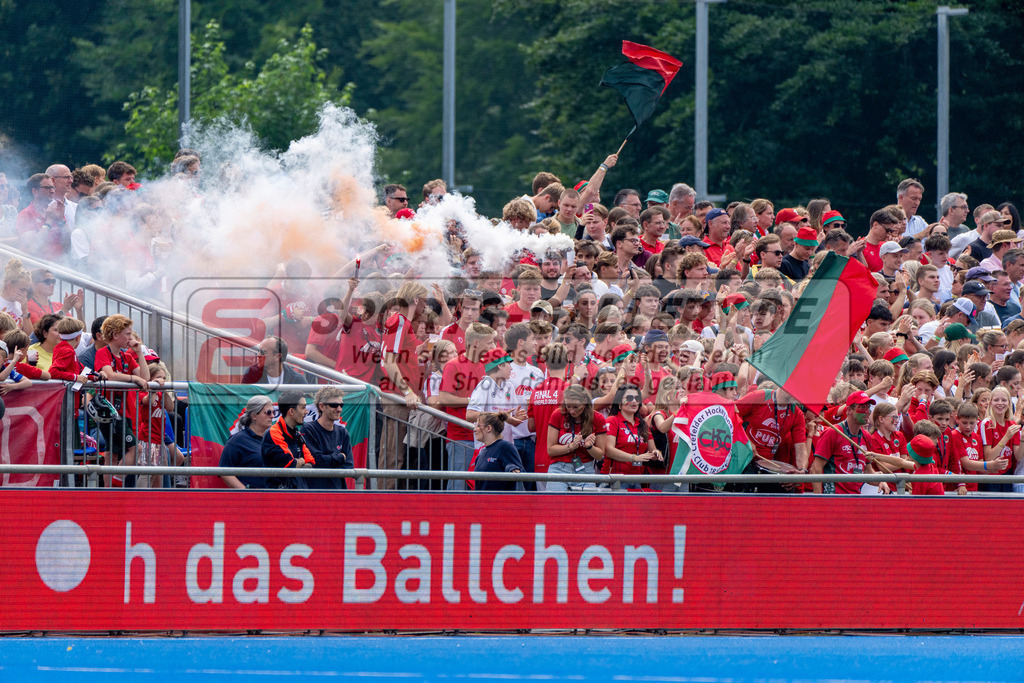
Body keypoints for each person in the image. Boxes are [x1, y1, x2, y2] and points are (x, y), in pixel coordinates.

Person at [380, 281, 429, 487]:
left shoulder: (402, 323)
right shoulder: (400, 322)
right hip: (398, 398)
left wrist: (419, 353)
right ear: (415, 299)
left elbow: (398, 358)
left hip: (401, 398)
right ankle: (382, 502)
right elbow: (388, 361)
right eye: (424, 301)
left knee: (394, 455)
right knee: (392, 457)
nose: (425, 307)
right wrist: (407, 391)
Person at [94, 314, 150, 487]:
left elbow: (145, 377)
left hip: (126, 412)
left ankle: (110, 489)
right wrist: (133, 379)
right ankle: (116, 483)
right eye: (127, 334)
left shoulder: (127, 357)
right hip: (111, 412)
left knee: (113, 453)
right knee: (135, 448)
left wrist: (139, 352)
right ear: (115, 335)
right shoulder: (103, 353)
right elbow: (109, 375)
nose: (130, 338)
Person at [439, 322, 496, 490]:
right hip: (461, 437)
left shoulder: (487, 366)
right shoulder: (454, 365)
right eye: (489, 342)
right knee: (458, 486)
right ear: (476, 344)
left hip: (484, 438)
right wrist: (472, 402)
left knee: (478, 486)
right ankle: (452, 517)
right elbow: (444, 398)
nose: (493, 346)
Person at [810, 391, 887, 494]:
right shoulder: (833, 432)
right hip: (834, 499)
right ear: (849, 410)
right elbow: (816, 468)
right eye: (862, 407)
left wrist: (880, 481)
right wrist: (819, 500)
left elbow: (867, 472)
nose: (867, 412)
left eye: (868, 408)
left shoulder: (866, 436)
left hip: (855, 499)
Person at [545, 384, 605, 491]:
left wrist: (590, 447)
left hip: (585, 469)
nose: (572, 411)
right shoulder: (558, 414)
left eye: (576, 407)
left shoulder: (597, 418)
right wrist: (571, 446)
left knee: (585, 507)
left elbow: (600, 455)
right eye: (568, 406)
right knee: (554, 506)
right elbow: (550, 450)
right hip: (559, 469)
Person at [301, 386, 355, 489]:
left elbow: (348, 466)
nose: (339, 409)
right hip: (315, 494)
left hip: (338, 493)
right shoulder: (308, 430)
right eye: (334, 405)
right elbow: (316, 461)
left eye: (341, 405)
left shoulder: (342, 432)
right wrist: (339, 457)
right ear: (322, 407)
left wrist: (327, 459)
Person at [219, 395, 276, 489]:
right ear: (254, 416)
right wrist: (245, 492)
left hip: (275, 496)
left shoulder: (273, 439)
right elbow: (224, 471)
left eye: (274, 412)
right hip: (253, 499)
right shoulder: (237, 440)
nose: (272, 416)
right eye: (268, 412)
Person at [261, 390, 314, 488]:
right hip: (279, 498)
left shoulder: (297, 433)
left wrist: (299, 463)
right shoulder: (274, 433)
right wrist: (301, 461)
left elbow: (311, 462)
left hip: (299, 494)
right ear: (291, 411)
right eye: (303, 407)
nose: (306, 412)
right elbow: (290, 464)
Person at [472, 413, 524, 491]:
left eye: (478, 426)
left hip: (501, 501)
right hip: (482, 501)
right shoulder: (481, 453)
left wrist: (512, 468)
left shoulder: (505, 447)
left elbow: (518, 472)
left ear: (489, 428)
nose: (475, 429)